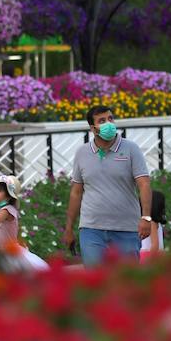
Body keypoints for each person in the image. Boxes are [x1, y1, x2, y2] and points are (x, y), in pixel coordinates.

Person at [60, 105, 152, 265]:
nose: (109, 123)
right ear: (93, 128)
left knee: (127, 279)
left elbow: (144, 184)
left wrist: (146, 218)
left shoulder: (131, 149)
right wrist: (69, 228)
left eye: (110, 119)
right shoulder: (82, 153)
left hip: (126, 228)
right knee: (96, 280)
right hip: (91, 228)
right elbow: (76, 192)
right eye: (102, 121)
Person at [0, 173, 48, 270]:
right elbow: (16, 229)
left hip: (8, 253)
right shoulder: (10, 210)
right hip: (1, 250)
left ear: (9, 196)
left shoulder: (6, 211)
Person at [139, 190, 167, 257]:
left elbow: (155, 245)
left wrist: (149, 261)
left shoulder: (151, 223)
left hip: (148, 255)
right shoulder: (156, 223)